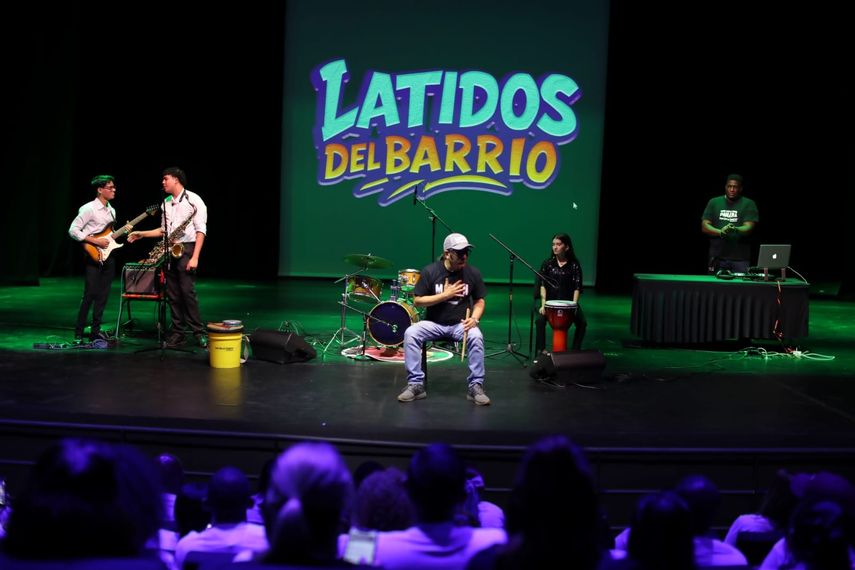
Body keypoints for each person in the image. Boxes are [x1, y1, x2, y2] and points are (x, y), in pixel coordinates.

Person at [398, 232, 489, 405]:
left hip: (460, 325)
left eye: (466, 252)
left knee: (476, 336)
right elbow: (417, 301)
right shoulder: (431, 271)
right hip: (433, 323)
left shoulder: (472, 273)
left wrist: (475, 319)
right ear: (447, 253)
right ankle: (415, 384)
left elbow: (480, 301)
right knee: (411, 332)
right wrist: (444, 295)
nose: (464, 256)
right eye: (459, 252)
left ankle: (475, 386)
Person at [128, 167, 208, 347]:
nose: (163, 182)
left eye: (166, 179)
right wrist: (142, 234)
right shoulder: (166, 202)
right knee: (172, 295)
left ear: (176, 180)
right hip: (169, 249)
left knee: (187, 293)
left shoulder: (194, 200)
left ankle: (198, 332)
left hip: (186, 248)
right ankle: (178, 333)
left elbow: (201, 230)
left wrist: (195, 257)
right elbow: (164, 231)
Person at [68, 174, 126, 343]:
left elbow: (109, 235)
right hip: (93, 255)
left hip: (109, 256)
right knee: (90, 294)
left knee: (103, 295)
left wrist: (123, 232)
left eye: (114, 187)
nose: (114, 189)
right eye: (110, 187)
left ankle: (95, 331)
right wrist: (94, 240)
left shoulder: (112, 210)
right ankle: (78, 332)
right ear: (100, 190)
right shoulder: (88, 209)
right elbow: (73, 230)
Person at [534, 232, 587, 353]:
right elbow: (543, 286)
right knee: (540, 321)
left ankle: (575, 350)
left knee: (582, 323)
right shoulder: (547, 264)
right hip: (549, 303)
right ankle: (541, 350)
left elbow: (577, 287)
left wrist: (574, 305)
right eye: (553, 244)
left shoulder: (574, 265)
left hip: (569, 303)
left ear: (566, 247)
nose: (555, 247)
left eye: (558, 244)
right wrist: (543, 304)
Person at [702, 173, 759, 274]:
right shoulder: (714, 202)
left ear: (740, 188)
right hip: (716, 257)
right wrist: (720, 232)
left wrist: (734, 229)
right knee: (715, 287)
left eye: (735, 187)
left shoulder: (749, 203)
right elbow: (704, 226)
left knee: (741, 288)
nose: (732, 190)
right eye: (729, 186)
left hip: (740, 258)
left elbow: (749, 227)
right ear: (725, 187)